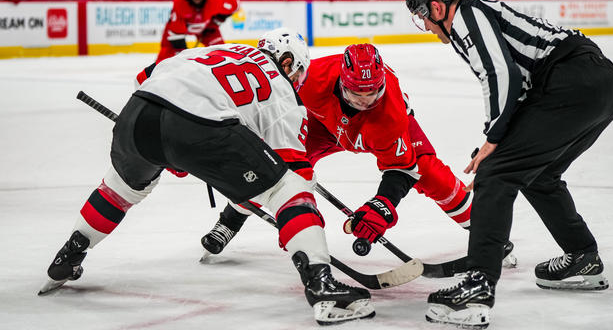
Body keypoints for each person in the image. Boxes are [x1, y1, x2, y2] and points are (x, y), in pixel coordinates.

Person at [39, 28, 375, 326]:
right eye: (299, 72)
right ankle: (320, 282)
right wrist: (295, 222)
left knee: (120, 189)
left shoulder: (213, 50)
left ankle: (70, 253)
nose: (299, 81)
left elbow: (147, 76)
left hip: (137, 113)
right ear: (287, 62)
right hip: (197, 126)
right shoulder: (282, 89)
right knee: (288, 189)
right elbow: (292, 168)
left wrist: (170, 148)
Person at [405, 0, 613, 327]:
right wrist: (496, 137)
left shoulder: (467, 15)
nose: (427, 27)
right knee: (539, 174)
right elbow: (518, 83)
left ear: (437, 7)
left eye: (423, 18)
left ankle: (476, 287)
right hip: (601, 85)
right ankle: (582, 256)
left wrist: (493, 140)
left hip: (572, 84)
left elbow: (500, 75)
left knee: (495, 173)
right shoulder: (478, 14)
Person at [201, 43, 516, 269]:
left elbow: (401, 171)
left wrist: (381, 207)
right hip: (325, 125)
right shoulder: (313, 80)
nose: (365, 100)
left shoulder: (389, 115)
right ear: (341, 82)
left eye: (371, 93)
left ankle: (490, 235)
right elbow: (273, 105)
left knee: (433, 175)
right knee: (276, 168)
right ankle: (229, 222)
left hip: (378, 130)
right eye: (356, 93)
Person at [156, 0, 238, 63]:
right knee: (163, 60)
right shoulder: (180, 2)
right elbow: (176, 36)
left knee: (221, 53)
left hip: (206, 28)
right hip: (178, 29)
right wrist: (184, 57)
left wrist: (216, 21)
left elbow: (235, 5)